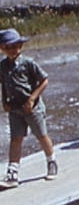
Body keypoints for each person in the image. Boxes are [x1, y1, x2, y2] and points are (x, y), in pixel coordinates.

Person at [0, 27, 58, 187]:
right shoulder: (3, 66)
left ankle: (51, 161)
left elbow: (44, 80)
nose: (13, 50)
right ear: (2, 49)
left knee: (41, 135)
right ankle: (13, 173)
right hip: (15, 108)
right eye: (8, 47)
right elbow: (4, 84)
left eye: (16, 46)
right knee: (16, 139)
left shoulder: (28, 63)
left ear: (21, 46)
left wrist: (32, 99)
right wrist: (4, 100)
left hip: (33, 107)